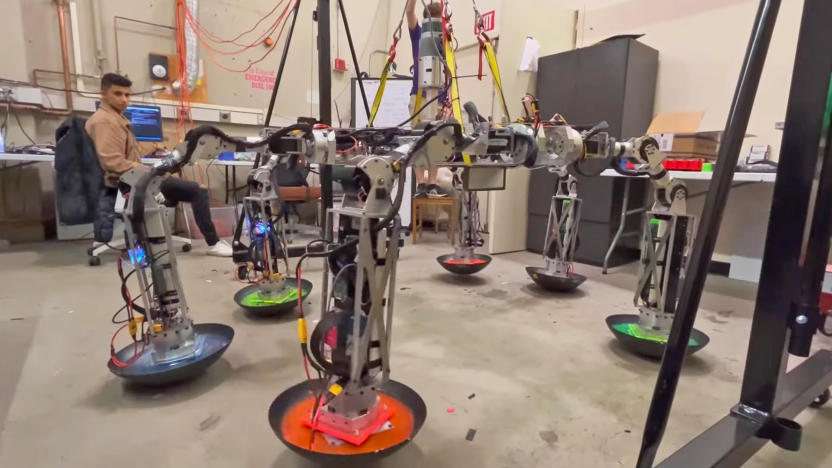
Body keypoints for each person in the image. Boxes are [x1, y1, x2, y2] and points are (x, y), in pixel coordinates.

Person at [87, 73, 233, 257]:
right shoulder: (105, 121)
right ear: (103, 94)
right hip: (126, 183)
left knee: (172, 180)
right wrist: (156, 173)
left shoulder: (116, 118)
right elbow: (113, 162)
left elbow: (131, 153)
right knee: (198, 190)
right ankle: (214, 244)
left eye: (127, 95)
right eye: (118, 94)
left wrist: (156, 147)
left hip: (130, 178)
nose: (124, 100)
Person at [407, 0, 448, 198]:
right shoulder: (418, 33)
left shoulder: (445, 38)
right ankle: (421, 182)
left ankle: (432, 182)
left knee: (439, 140)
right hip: (420, 96)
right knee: (418, 139)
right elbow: (409, 12)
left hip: (440, 96)